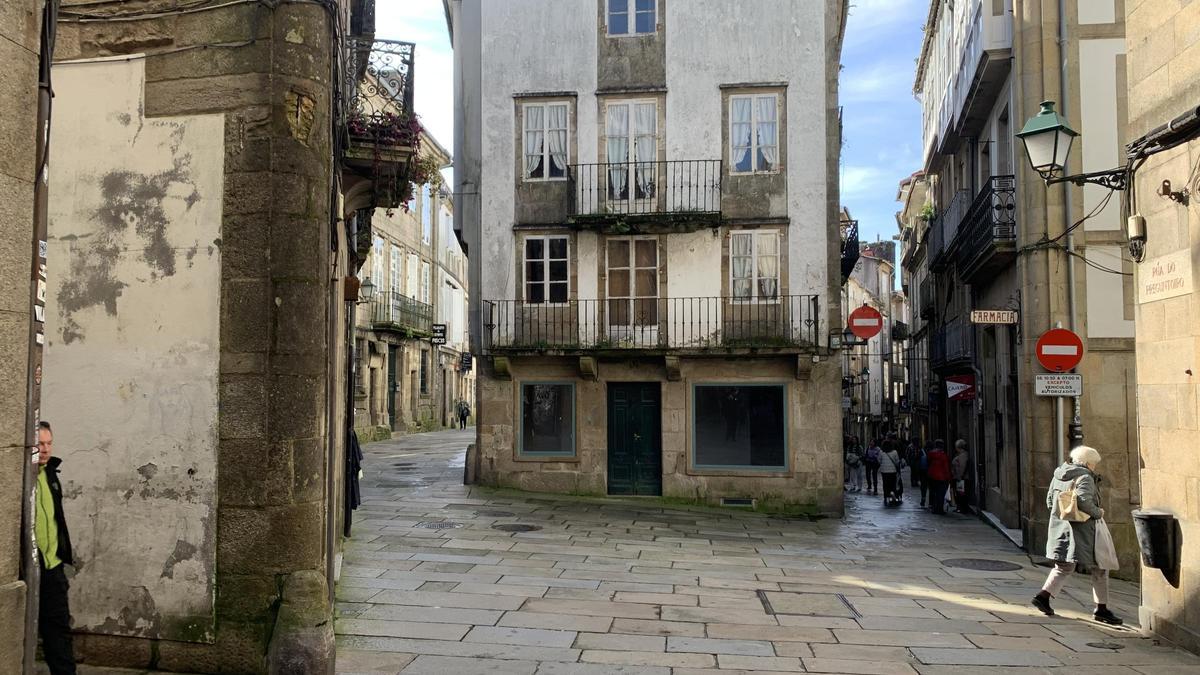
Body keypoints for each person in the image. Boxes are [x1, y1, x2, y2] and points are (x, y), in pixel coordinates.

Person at [1032, 445, 1123, 626]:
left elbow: (1050, 501)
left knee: (1064, 566)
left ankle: (1043, 596)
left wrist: (1062, 516)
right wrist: (1099, 513)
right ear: (1088, 463)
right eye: (1094, 464)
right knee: (1100, 566)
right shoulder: (1085, 477)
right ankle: (1101, 609)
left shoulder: (1059, 474)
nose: (1095, 467)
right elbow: (1083, 502)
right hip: (1084, 530)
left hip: (1060, 527)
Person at [35, 421, 78, 674]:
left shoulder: (50, 473)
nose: (46, 449)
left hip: (53, 566)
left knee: (59, 630)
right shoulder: (20, 475)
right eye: (40, 444)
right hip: (27, 567)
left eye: (49, 443)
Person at [926, 439, 952, 515]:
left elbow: (928, 464)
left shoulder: (930, 454)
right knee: (941, 493)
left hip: (931, 476)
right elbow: (946, 467)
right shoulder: (943, 456)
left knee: (934, 492)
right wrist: (949, 477)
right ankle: (939, 509)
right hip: (942, 477)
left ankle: (934, 508)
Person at [951, 440, 973, 514]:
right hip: (960, 478)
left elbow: (962, 467)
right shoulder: (961, 455)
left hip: (961, 479)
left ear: (958, 447)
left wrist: (959, 478)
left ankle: (962, 509)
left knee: (961, 495)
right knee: (960, 494)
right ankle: (961, 508)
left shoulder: (963, 455)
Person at [880, 440, 904, 506]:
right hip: (893, 471)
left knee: (885, 484)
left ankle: (885, 496)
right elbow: (897, 461)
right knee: (893, 484)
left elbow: (879, 460)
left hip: (884, 471)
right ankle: (893, 495)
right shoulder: (894, 452)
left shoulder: (881, 452)